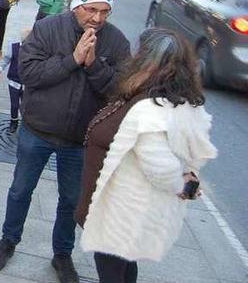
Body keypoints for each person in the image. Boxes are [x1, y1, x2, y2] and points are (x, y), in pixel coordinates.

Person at [0, 0, 131, 283]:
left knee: (71, 199)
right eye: (91, 9)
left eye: (104, 12)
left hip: (81, 140)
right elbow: (29, 73)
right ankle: (9, 240)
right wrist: (73, 59)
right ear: (77, 6)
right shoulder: (48, 28)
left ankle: (62, 254)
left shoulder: (117, 42)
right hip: (38, 130)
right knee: (21, 188)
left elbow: (120, 90)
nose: (97, 18)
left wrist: (94, 65)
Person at [77, 28, 217, 283]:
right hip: (125, 211)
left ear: (150, 61)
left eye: (138, 53)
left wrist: (183, 183)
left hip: (120, 213)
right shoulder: (163, 97)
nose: (132, 57)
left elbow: (162, 168)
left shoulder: (150, 109)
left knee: (112, 271)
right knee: (123, 267)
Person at [0, 28, 30, 134]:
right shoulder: (14, 48)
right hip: (14, 81)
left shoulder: (35, 50)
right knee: (14, 105)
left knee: (26, 106)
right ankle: (13, 122)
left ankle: (26, 125)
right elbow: (5, 59)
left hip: (27, 84)